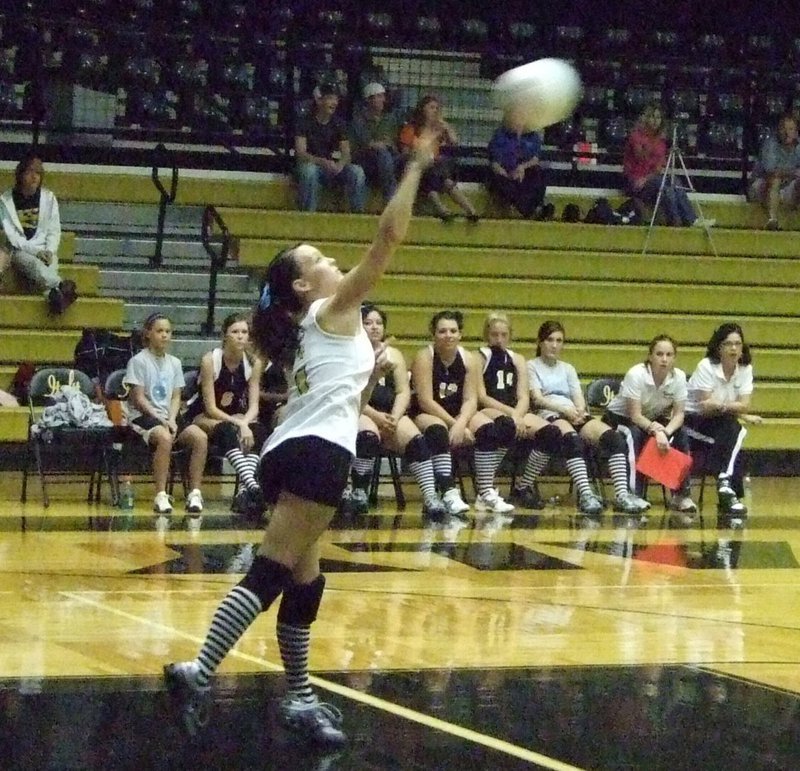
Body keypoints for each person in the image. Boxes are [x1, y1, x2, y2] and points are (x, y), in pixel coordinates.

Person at [163, 128, 439, 746]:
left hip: (293, 448)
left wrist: (372, 384)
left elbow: (341, 402)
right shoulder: (332, 309)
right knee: (270, 572)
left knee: (306, 582)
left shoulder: (321, 333)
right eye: (319, 260)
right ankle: (198, 671)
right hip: (317, 456)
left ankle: (301, 698)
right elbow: (389, 238)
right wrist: (416, 167)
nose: (332, 262)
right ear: (303, 287)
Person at [529, 321, 651, 519]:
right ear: (540, 342)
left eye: (559, 341)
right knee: (573, 440)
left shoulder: (567, 368)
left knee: (613, 438)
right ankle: (586, 494)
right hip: (548, 413)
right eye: (550, 340)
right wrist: (564, 410)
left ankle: (622, 495)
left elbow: (578, 395)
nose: (554, 345)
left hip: (573, 412)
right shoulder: (531, 366)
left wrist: (579, 410)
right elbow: (537, 399)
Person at [342, 303, 447, 519]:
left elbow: (403, 391)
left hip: (391, 413)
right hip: (362, 410)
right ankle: (359, 491)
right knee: (367, 436)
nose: (374, 327)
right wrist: (377, 417)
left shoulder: (394, 354)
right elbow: (350, 393)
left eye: (379, 323)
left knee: (417, 441)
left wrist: (394, 418)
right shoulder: (349, 353)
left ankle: (430, 496)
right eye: (368, 323)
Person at [411, 310, 514, 516]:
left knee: (489, 429)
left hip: (458, 411)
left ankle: (485, 492)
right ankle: (448, 492)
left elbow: (470, 399)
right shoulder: (425, 357)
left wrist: (461, 423)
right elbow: (426, 401)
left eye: (453, 331)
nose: (448, 335)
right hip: (428, 412)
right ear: (433, 334)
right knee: (438, 431)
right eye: (442, 331)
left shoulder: (469, 359)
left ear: (460, 334)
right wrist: (454, 424)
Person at [124, 313, 208, 525]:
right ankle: (161, 495)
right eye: (159, 331)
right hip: (144, 416)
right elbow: (138, 398)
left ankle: (194, 494)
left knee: (200, 437)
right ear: (148, 334)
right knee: (164, 438)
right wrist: (160, 419)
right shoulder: (138, 361)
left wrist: (171, 418)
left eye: (168, 331)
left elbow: (176, 396)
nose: (164, 335)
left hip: (169, 416)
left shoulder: (175, 363)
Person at [603, 334, 696, 522]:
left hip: (651, 419)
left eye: (669, 355)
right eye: (659, 354)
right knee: (634, 434)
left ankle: (681, 495)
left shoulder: (678, 377)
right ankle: (632, 494)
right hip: (620, 418)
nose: (664, 359)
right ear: (650, 356)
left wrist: (665, 432)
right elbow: (635, 415)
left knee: (680, 433)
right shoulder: (636, 375)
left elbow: (679, 415)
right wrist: (656, 431)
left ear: (674, 358)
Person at [475, 312, 563, 510]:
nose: (499, 339)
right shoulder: (479, 357)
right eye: (494, 335)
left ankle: (523, 486)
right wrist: (512, 415)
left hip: (515, 410)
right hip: (488, 409)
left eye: (503, 335)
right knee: (505, 426)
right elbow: (482, 396)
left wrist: (517, 414)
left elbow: (523, 396)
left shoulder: (518, 359)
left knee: (551, 433)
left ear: (510, 336)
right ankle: (485, 488)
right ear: (486, 335)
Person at [186, 313, 268, 518]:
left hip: (237, 417)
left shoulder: (253, 363)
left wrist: (245, 423)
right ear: (224, 335)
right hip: (203, 416)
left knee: (259, 430)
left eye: (244, 332)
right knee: (226, 429)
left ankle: (246, 490)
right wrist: (239, 424)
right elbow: (210, 408)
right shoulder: (210, 360)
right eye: (235, 332)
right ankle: (253, 484)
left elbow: (254, 406)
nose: (240, 336)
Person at [685, 323, 762, 523]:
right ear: (719, 347)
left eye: (738, 344)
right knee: (737, 431)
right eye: (728, 344)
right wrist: (736, 410)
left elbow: (744, 405)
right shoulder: (706, 366)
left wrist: (725, 407)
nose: (734, 348)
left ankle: (724, 482)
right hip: (693, 421)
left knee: (733, 430)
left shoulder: (745, 369)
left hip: (720, 421)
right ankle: (728, 488)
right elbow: (705, 406)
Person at [0, 152, 78, 314]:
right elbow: (13, 237)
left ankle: (54, 298)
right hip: (21, 251)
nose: (34, 176)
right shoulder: (5, 201)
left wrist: (49, 250)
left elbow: (54, 229)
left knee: (49, 265)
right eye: (30, 171)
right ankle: (61, 285)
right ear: (20, 174)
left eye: (38, 172)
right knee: (35, 265)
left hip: (46, 250)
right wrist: (37, 252)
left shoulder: (49, 198)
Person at [623, 104, 714, 228]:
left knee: (672, 184)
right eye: (652, 117)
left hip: (652, 179)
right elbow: (640, 156)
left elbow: (659, 167)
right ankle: (680, 221)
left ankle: (688, 220)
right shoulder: (636, 136)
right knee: (663, 183)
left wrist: (649, 176)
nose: (655, 121)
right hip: (636, 181)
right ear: (646, 118)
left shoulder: (661, 142)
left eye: (658, 118)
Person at [398, 95, 479, 223]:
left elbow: (454, 142)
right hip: (416, 165)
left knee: (441, 175)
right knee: (440, 176)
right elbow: (405, 153)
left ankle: (468, 210)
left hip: (434, 167)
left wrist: (446, 127)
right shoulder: (411, 128)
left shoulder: (437, 129)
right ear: (422, 109)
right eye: (431, 107)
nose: (435, 111)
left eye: (437, 108)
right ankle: (449, 208)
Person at [294, 82, 366, 213]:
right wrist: (322, 162)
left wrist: (340, 165)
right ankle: (308, 215)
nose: (334, 103)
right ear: (319, 100)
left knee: (357, 171)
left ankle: (358, 215)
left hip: (330, 168)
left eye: (336, 99)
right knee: (309, 171)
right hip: (312, 166)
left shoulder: (339, 124)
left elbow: (346, 153)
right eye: (330, 98)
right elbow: (301, 153)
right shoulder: (304, 122)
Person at [486, 113, 553, 220]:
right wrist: (505, 173)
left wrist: (522, 167)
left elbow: (535, 159)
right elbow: (494, 162)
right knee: (502, 182)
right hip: (505, 173)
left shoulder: (533, 136)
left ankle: (534, 208)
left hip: (523, 173)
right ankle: (526, 210)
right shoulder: (500, 136)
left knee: (539, 174)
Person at [349, 82, 400, 205]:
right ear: (369, 100)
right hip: (363, 159)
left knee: (405, 159)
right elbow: (367, 144)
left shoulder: (390, 119)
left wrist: (386, 145)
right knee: (382, 153)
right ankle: (390, 198)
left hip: (387, 159)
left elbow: (392, 144)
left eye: (382, 96)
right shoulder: (358, 120)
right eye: (378, 97)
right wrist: (380, 144)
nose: (382, 100)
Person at [748, 113, 800, 230]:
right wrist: (793, 173)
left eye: (790, 129)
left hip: (787, 189)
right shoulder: (770, 145)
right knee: (775, 180)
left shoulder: (798, 147)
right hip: (761, 187)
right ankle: (772, 220)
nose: (786, 133)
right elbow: (771, 171)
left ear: (796, 132)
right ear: (778, 130)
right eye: (783, 129)